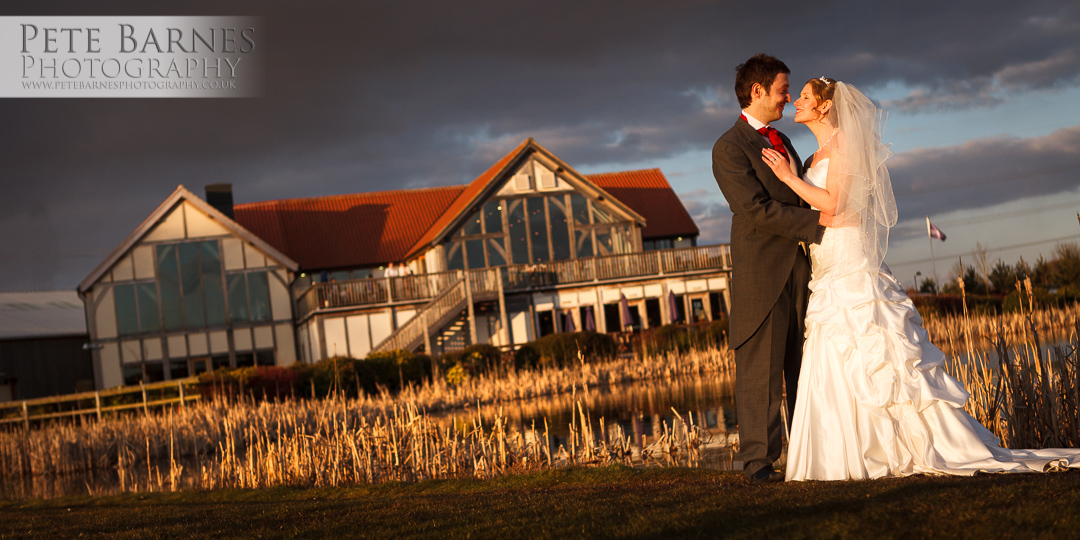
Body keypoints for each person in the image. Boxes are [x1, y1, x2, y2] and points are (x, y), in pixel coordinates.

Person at [761, 77, 1080, 481]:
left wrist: (790, 180)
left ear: (825, 107)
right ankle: (839, 454)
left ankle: (901, 445)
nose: (796, 103)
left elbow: (838, 205)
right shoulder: (813, 156)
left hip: (851, 259)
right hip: (827, 262)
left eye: (804, 97)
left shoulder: (844, 146)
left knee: (874, 344)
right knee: (835, 345)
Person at [712, 54, 830, 483]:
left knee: (805, 364)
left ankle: (807, 453)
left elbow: (796, 191)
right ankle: (760, 463)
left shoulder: (782, 138)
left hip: (802, 266)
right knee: (760, 371)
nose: (787, 97)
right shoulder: (728, 147)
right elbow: (755, 209)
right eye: (783, 89)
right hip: (762, 271)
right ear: (757, 91)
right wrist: (822, 223)